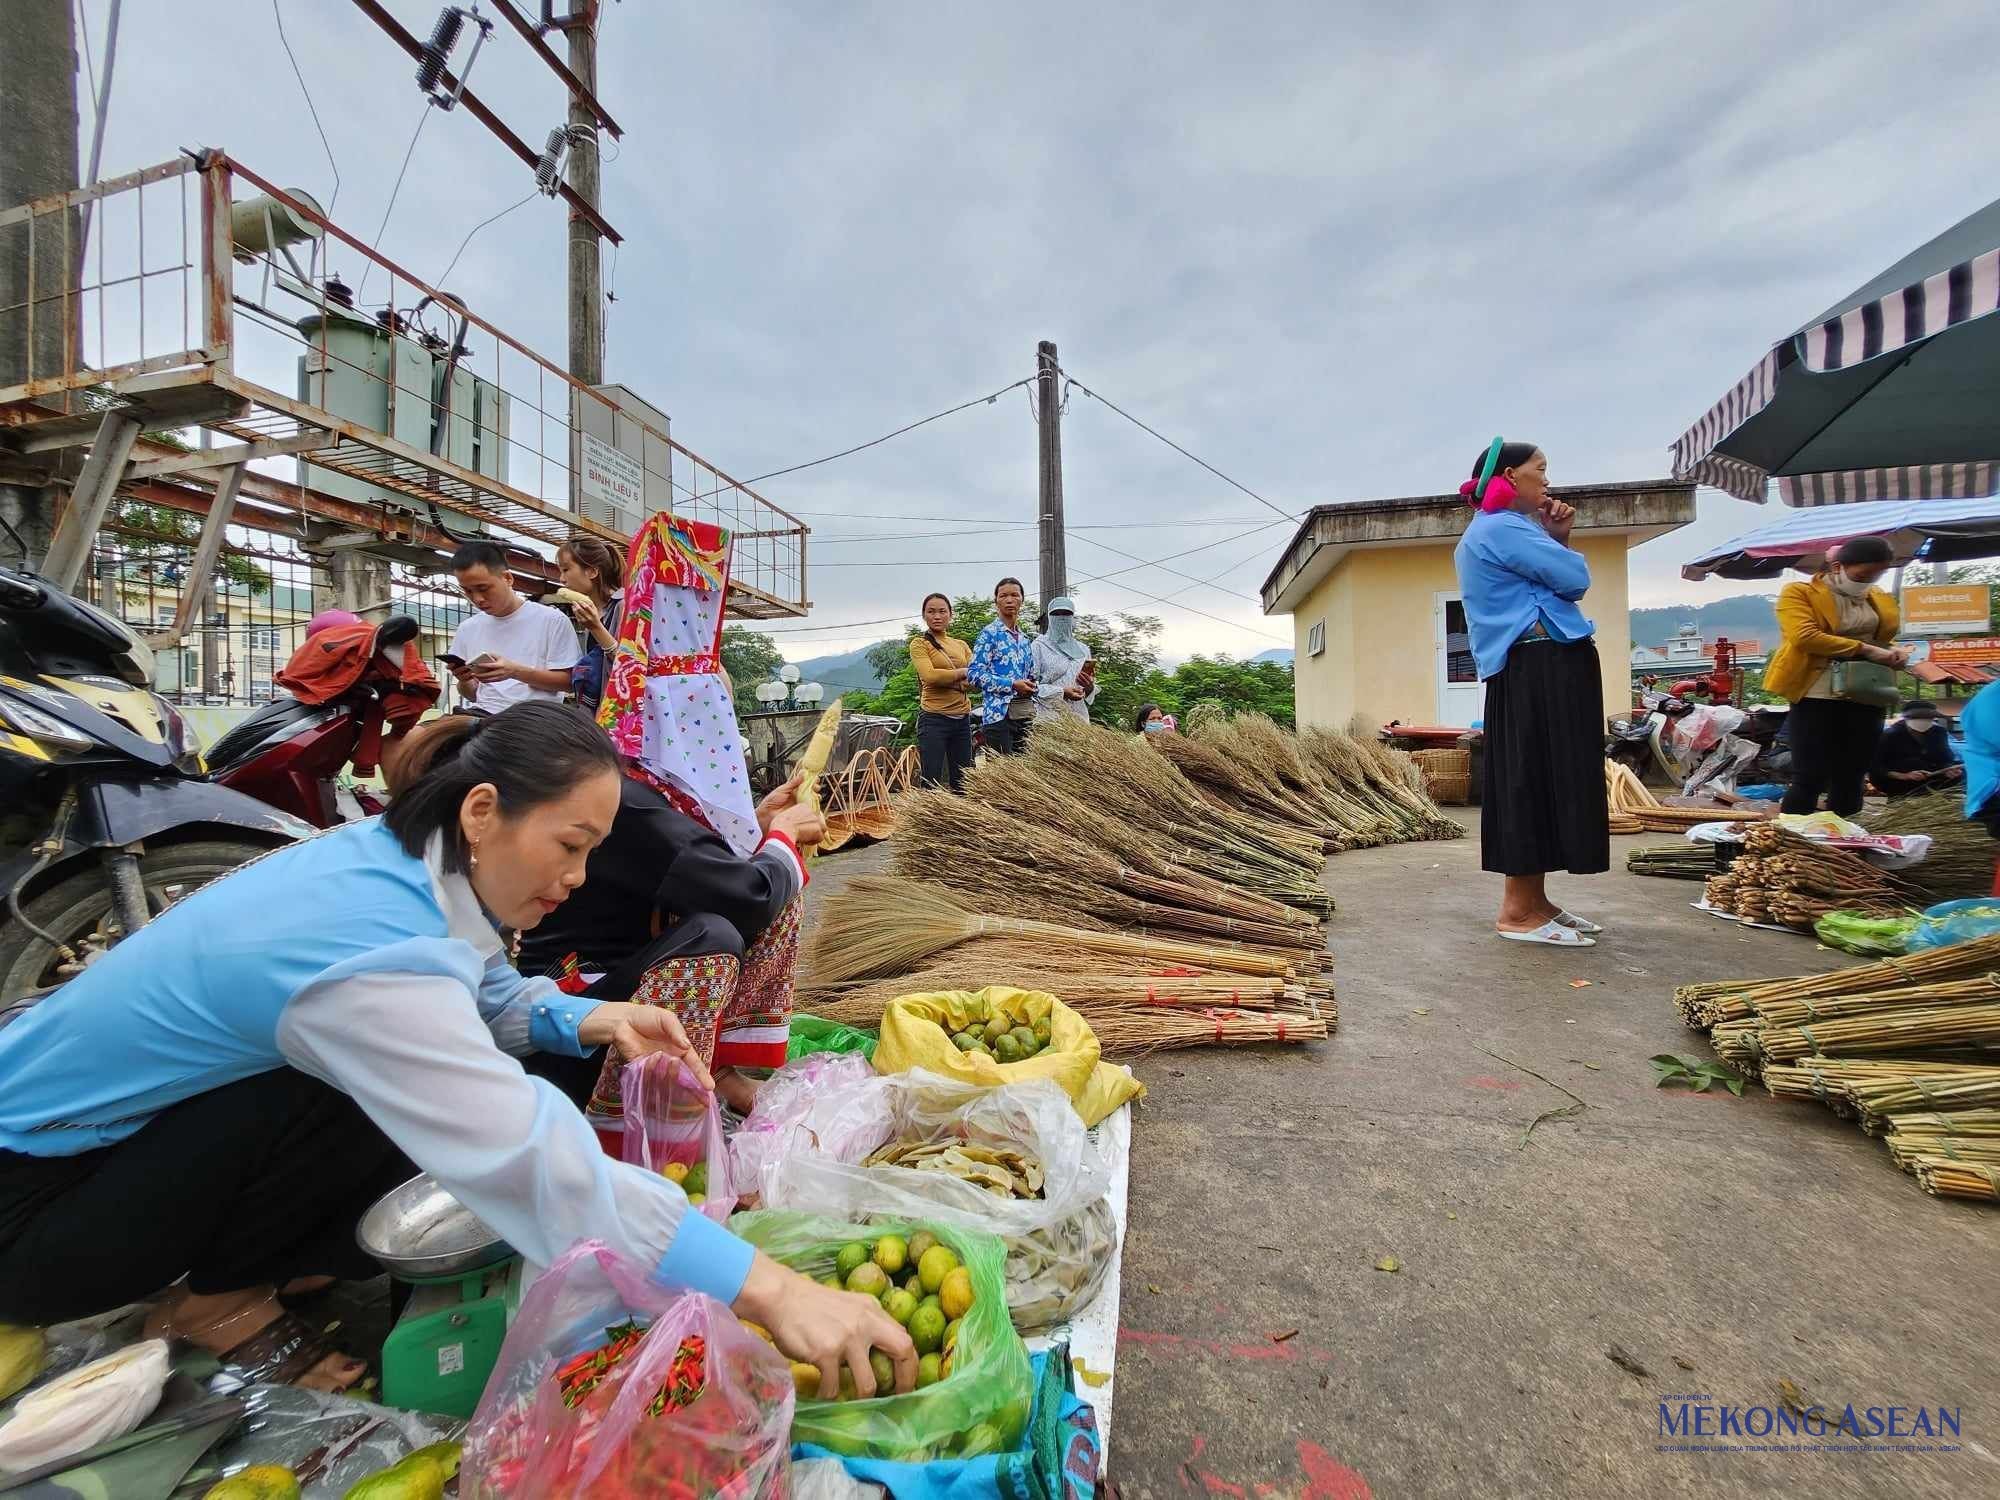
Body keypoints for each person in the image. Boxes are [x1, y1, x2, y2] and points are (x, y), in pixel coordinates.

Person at [0, 705, 914, 1400]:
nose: (579, 878)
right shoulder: (371, 954)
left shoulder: (397, 860)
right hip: (33, 1211)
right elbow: (526, 1156)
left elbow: (480, 993)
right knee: (373, 1090)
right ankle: (219, 1297)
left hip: (100, 1157)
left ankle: (278, 1253)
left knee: (375, 1073)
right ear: (483, 811)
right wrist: (770, 1287)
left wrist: (587, 1021)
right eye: (570, 844)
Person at [517, 763, 825, 1118]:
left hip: (572, 1012)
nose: (577, 874)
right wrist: (783, 836)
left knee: (770, 874)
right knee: (718, 932)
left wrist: (759, 831)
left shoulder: (635, 793)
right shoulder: (624, 798)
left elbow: (699, 869)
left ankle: (715, 1069)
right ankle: (638, 1113)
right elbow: (748, 896)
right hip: (563, 1048)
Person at [1452, 440, 1608, 946]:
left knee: (1543, 774)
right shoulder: (1503, 527)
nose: (1548, 482)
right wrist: (1558, 541)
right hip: (1538, 663)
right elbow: (1575, 578)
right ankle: (1517, 911)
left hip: (1541, 661)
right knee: (1532, 775)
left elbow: (1561, 580)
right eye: (1540, 470)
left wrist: (1555, 537)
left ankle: (1535, 903)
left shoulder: (1506, 528)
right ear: (1510, 477)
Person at [1765, 537, 1908, 817]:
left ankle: (1846, 843)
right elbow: (1804, 637)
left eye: (1877, 574)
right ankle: (1794, 841)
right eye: (1863, 574)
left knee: (1852, 774)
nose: (1869, 580)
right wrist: (1864, 649)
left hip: (1867, 692)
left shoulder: (1877, 597)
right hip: (1817, 692)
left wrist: (1892, 653)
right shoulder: (1799, 592)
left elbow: (1882, 639)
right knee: (1810, 774)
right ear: (1837, 566)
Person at [446, 540, 582, 712]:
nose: (477, 598)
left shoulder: (552, 620)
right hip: (483, 715)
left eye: (483, 588)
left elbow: (569, 683)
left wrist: (515, 671)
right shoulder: (467, 628)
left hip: (535, 718)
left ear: (508, 578)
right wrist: (464, 680)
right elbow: (472, 695)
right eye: (468, 591)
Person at [908, 592, 975, 792]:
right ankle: (927, 822)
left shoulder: (961, 645)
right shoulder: (920, 644)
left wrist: (955, 679)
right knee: (931, 781)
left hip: (962, 719)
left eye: (942, 611)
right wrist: (962, 673)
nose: (937, 616)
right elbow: (929, 676)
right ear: (924, 616)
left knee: (964, 782)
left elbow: (977, 677)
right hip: (933, 719)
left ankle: (959, 822)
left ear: (950, 615)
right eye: (931, 612)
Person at [557, 533, 626, 716]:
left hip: (619, 712)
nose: (562, 579)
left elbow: (629, 666)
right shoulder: (594, 611)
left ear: (592, 572)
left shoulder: (624, 605)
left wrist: (596, 628)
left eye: (566, 570)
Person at [967, 576, 1037, 754]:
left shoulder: (1024, 639)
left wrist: (1030, 685)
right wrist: (1012, 684)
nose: (1009, 600)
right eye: (1003, 595)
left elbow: (1030, 675)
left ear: (1022, 600)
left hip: (1023, 714)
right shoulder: (989, 634)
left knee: (1026, 774)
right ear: (996, 601)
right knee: (1003, 777)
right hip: (998, 716)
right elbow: (974, 674)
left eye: (1015, 595)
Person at [1871, 700, 1963, 799]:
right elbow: (1875, 766)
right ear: (1906, 718)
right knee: (1912, 763)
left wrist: (1948, 769)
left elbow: (1945, 757)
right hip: (1896, 778)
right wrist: (1904, 776)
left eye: (1929, 718)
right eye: (1918, 718)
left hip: (1930, 775)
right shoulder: (1889, 735)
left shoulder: (1938, 732)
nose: (1923, 721)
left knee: (1960, 775)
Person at [1030, 596, 1098, 723]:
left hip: (1079, 720)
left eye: (1067, 613)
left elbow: (1089, 690)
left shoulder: (1083, 649)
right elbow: (1031, 687)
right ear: (1049, 617)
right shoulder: (1038, 646)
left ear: (1073, 617)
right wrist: (1061, 692)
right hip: (1048, 719)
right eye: (1056, 613)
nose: (1061, 617)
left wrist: (1089, 686)